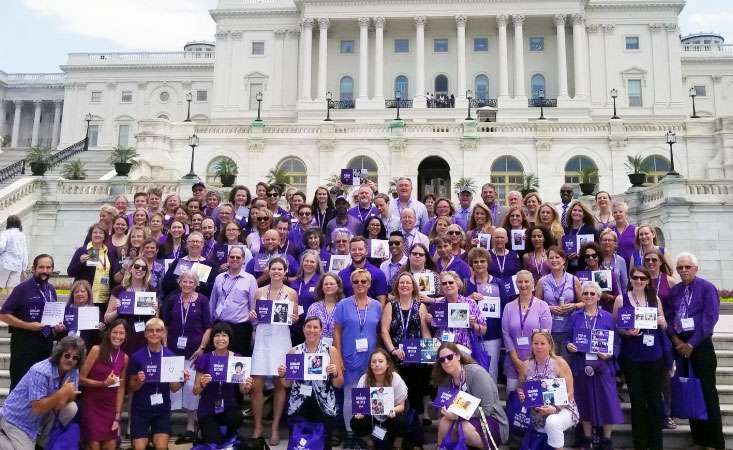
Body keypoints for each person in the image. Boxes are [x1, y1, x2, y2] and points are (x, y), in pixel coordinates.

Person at [666, 253, 724, 450]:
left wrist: (691, 345)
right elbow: (670, 315)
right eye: (680, 267)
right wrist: (676, 341)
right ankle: (699, 439)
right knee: (691, 392)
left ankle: (714, 442)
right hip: (681, 348)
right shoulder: (676, 291)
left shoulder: (706, 288)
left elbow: (709, 319)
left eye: (687, 267)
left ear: (695, 268)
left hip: (700, 347)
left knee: (707, 394)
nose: (683, 270)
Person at [613, 266, 667, 450]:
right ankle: (641, 444)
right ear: (630, 279)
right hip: (632, 356)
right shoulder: (621, 299)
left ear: (647, 281)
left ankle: (656, 442)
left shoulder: (655, 298)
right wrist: (626, 331)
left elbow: (664, 323)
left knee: (653, 399)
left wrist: (663, 322)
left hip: (654, 355)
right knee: (637, 400)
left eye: (642, 278)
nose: (638, 281)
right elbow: (616, 326)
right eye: (635, 278)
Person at [564, 282, 623, 450]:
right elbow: (568, 338)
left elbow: (616, 343)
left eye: (592, 293)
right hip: (581, 364)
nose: (589, 296)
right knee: (584, 401)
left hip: (603, 365)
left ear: (598, 296)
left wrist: (610, 353)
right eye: (586, 293)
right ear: (582, 296)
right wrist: (569, 346)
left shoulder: (608, 317)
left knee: (607, 400)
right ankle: (587, 438)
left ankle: (606, 439)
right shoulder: (575, 317)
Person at [0, 336, 85, 449]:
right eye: (67, 355)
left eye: (75, 358)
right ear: (59, 354)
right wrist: (61, 393)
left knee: (71, 408)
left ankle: (41, 443)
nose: (70, 360)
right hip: (18, 419)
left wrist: (65, 397)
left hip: (41, 416)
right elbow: (37, 408)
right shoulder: (41, 371)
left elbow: (71, 396)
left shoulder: (73, 371)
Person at [250, 257, 298, 445]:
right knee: (256, 385)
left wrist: (294, 318)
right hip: (262, 338)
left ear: (285, 272)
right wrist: (252, 315)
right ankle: (258, 426)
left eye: (280, 269)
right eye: (273, 269)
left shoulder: (292, 293)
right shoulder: (259, 291)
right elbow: (254, 317)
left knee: (280, 383)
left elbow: (295, 318)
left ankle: (275, 427)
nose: (277, 272)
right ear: (268, 271)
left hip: (281, 338)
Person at [277, 317, 344, 449]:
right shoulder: (294, 351)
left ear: (321, 330)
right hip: (299, 404)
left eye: (315, 327)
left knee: (324, 445)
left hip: (324, 405)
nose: (311, 330)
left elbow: (338, 384)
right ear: (303, 329)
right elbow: (287, 384)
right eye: (308, 326)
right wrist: (283, 374)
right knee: (299, 445)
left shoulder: (331, 351)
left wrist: (335, 373)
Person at [333, 268, 383, 445]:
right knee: (351, 395)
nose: (360, 284)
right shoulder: (343, 305)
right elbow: (337, 331)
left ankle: (365, 433)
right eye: (356, 282)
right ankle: (350, 433)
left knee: (369, 395)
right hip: (349, 355)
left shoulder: (377, 305)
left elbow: (379, 331)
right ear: (351, 284)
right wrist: (338, 357)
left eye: (364, 281)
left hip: (371, 358)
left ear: (369, 284)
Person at [162, 270, 212, 442]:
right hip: (173, 351)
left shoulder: (203, 301)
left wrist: (202, 347)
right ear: (180, 283)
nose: (188, 284)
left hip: (194, 352)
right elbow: (165, 325)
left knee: (192, 387)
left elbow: (208, 327)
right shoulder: (172, 299)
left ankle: (191, 425)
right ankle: (165, 424)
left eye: (191, 282)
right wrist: (165, 347)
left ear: (196, 284)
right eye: (185, 281)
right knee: (173, 387)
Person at [127, 318, 190, 450]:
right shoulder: (137, 356)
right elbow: (131, 387)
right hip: (141, 409)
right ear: (145, 334)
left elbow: (173, 388)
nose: (154, 333)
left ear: (163, 333)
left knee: (161, 447)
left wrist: (182, 380)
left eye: (158, 330)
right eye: (150, 330)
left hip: (161, 409)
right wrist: (139, 381)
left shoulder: (171, 357)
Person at [433, 342, 509, 449]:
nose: (446, 362)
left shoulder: (476, 373)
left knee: (463, 428)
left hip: (490, 419)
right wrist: (446, 411)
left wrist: (458, 415)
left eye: (449, 357)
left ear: (458, 356)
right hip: (464, 418)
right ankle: (441, 447)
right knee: (444, 422)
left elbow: (487, 410)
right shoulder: (446, 379)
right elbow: (444, 406)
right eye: (442, 360)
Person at [380, 272, 432, 427]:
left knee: (417, 391)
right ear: (397, 286)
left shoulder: (420, 306)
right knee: (398, 394)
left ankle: (416, 432)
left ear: (413, 286)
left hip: (416, 357)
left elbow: (424, 331)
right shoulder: (391, 305)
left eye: (408, 283)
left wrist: (430, 354)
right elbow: (384, 330)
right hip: (397, 357)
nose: (404, 285)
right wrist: (393, 350)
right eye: (401, 282)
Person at [0, 254, 58, 389]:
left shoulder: (51, 290)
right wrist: (27, 326)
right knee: (20, 383)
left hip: (45, 342)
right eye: (41, 267)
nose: (45, 271)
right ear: (34, 269)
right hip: (24, 343)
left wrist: (57, 326)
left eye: (48, 267)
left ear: (52, 269)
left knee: (40, 383)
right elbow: (3, 314)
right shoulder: (22, 288)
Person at [193, 322, 253, 446]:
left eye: (224, 335)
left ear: (229, 339)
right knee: (214, 443)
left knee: (236, 418)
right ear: (212, 339)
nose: (220, 339)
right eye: (217, 335)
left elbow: (243, 390)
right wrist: (202, 384)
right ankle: (205, 431)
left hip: (229, 406)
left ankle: (227, 434)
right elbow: (195, 391)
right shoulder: (204, 358)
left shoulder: (237, 358)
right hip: (207, 408)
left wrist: (247, 386)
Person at [517, 331, 579, 450]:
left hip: (564, 408)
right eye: (536, 343)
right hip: (537, 411)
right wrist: (521, 394)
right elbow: (520, 387)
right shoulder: (525, 365)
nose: (539, 346)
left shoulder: (560, 363)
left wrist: (555, 408)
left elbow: (570, 393)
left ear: (550, 345)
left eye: (542, 343)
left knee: (552, 422)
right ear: (531, 345)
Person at [79, 319, 128, 450]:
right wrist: (103, 383)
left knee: (111, 446)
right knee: (94, 445)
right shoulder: (96, 350)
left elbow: (121, 388)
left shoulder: (124, 357)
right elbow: (80, 379)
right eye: (115, 332)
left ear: (125, 336)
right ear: (108, 333)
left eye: (121, 333)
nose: (118, 336)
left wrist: (118, 415)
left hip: (110, 408)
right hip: (93, 405)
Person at [501, 270, 552, 392]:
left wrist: (530, 362)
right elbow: (506, 333)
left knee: (535, 396)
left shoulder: (543, 306)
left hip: (537, 359)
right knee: (513, 394)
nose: (523, 285)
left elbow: (545, 335)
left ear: (532, 283)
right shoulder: (509, 307)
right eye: (520, 282)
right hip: (514, 360)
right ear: (516, 284)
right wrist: (516, 361)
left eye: (526, 281)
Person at [349, 349, 409, 448]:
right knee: (355, 422)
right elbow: (359, 406)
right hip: (371, 417)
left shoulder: (395, 378)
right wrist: (359, 413)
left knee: (402, 421)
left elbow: (402, 406)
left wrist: (393, 410)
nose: (377, 364)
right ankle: (369, 443)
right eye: (373, 362)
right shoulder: (364, 379)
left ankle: (398, 443)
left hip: (390, 416)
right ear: (370, 365)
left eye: (381, 361)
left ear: (388, 364)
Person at [535, 247, 582, 358]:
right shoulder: (542, 281)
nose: (554, 260)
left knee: (567, 366)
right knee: (552, 366)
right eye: (551, 258)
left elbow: (583, 303)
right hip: (549, 331)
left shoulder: (573, 279)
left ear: (564, 260)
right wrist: (549, 308)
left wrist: (573, 305)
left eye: (557, 257)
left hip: (569, 330)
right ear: (547, 261)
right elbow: (536, 305)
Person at [104, 256, 156, 355]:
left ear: (146, 272)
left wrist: (155, 310)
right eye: (137, 266)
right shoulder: (119, 290)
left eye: (143, 268)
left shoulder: (151, 290)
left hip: (143, 336)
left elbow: (155, 320)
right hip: (123, 336)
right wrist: (117, 311)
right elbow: (106, 319)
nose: (140, 269)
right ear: (130, 268)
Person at [68, 223, 120, 306]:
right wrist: (80, 263)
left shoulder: (109, 252)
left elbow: (113, 275)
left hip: (103, 297)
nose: (97, 235)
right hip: (85, 297)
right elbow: (70, 272)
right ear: (91, 235)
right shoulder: (83, 250)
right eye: (95, 232)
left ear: (104, 236)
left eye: (100, 233)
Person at [432, 271, 486, 350]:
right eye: (444, 283)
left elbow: (484, 330)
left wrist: (473, 325)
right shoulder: (438, 305)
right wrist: (430, 320)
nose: (448, 285)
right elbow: (434, 328)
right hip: (443, 348)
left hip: (464, 349)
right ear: (441, 288)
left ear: (458, 284)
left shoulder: (470, 303)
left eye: (451, 282)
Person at [161, 231, 218, 300]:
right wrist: (181, 281)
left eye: (198, 241)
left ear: (203, 245)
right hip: (177, 301)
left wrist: (194, 283)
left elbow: (212, 288)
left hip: (200, 303)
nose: (195, 244)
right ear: (187, 244)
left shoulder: (210, 264)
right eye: (192, 241)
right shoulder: (178, 262)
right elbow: (165, 284)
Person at [338, 236, 389, 305]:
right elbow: (340, 300)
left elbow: (381, 302)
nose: (357, 252)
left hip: (371, 315)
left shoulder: (378, 273)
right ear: (349, 251)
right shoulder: (342, 274)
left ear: (366, 251)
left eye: (360, 249)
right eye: (354, 249)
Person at [59, 280, 105, 351]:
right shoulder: (65, 311)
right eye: (76, 292)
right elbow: (59, 334)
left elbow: (99, 337)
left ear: (88, 294)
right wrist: (60, 329)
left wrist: (101, 328)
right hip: (65, 349)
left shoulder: (96, 313)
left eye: (83, 291)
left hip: (87, 350)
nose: (79, 294)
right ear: (72, 295)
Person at [290, 250, 323, 345]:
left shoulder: (321, 281)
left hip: (312, 328)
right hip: (294, 325)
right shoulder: (295, 281)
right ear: (302, 263)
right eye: (306, 261)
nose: (309, 264)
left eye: (312, 262)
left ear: (317, 265)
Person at [306, 273, 343, 346]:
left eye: (331, 284)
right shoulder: (314, 307)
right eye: (326, 284)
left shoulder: (344, 307)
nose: (328, 286)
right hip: (317, 349)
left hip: (339, 348)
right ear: (322, 287)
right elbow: (308, 330)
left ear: (338, 286)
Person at [489, 228, 521, 297]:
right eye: (497, 237)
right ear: (493, 239)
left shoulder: (514, 255)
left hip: (511, 294)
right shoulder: (487, 255)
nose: (499, 240)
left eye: (502, 237)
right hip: (493, 293)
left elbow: (518, 274)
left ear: (506, 239)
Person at [0, 215, 27, 290]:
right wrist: (24, 268)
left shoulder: (5, 233)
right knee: (12, 288)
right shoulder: (22, 235)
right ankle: (11, 302)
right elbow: (25, 253)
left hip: (5, 263)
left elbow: (1, 246)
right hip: (17, 265)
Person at [610, 202, 636, 268]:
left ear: (626, 213)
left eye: (620, 211)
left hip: (633, 266)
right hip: (616, 267)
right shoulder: (610, 231)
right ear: (612, 215)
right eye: (615, 212)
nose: (618, 214)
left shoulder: (635, 230)